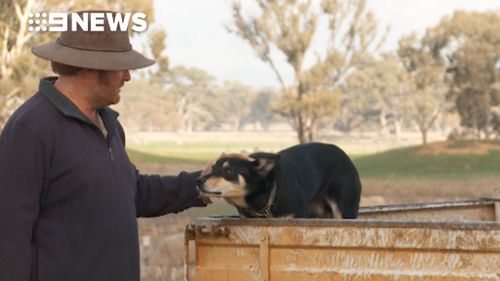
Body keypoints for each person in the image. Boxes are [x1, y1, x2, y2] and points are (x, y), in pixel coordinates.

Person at [0, 11, 210, 281]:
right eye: (121, 66)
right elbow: (8, 236)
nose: (127, 77)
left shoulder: (109, 124)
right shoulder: (31, 128)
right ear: (89, 67)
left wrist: (206, 183)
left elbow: (132, 193)